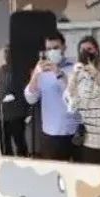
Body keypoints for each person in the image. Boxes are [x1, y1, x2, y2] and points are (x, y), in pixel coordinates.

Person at [24, 31, 80, 161]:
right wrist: (36, 75)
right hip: (50, 134)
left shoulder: (74, 68)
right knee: (54, 174)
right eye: (49, 49)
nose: (52, 51)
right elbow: (30, 98)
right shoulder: (41, 72)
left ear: (64, 48)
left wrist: (58, 73)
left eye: (56, 48)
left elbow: (76, 97)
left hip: (74, 132)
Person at [65, 35, 100, 164]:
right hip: (88, 139)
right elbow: (72, 105)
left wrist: (97, 75)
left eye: (90, 49)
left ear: (97, 50)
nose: (86, 53)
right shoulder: (78, 74)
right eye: (82, 50)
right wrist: (74, 76)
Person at [0, 46, 29, 157]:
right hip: (2, 115)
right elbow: (2, 88)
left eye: (9, 53)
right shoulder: (3, 69)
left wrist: (28, 112)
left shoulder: (22, 70)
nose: (6, 55)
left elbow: (22, 91)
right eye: (5, 52)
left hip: (17, 115)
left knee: (20, 144)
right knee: (5, 145)